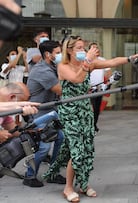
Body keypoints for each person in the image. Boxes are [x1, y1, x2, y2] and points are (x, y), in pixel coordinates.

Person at [42, 36, 138, 203]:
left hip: (86, 111)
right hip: (70, 112)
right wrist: (87, 60)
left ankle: (83, 183)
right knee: (77, 151)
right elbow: (76, 79)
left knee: (87, 149)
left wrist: (130, 58)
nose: (83, 51)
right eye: (79, 48)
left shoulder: (87, 64)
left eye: (84, 48)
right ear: (70, 50)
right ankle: (68, 188)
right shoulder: (63, 66)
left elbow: (111, 62)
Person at [24, 40, 65, 187]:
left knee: (61, 139)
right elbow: (60, 89)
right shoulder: (42, 70)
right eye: (58, 53)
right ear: (48, 54)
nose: (61, 55)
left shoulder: (51, 66)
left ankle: (53, 173)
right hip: (39, 113)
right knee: (44, 147)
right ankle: (29, 176)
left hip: (51, 112)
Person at [88, 42, 112, 133]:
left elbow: (108, 71)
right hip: (89, 89)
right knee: (90, 107)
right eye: (93, 48)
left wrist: (108, 83)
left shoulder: (102, 60)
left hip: (99, 88)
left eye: (97, 48)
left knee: (97, 108)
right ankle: (90, 125)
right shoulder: (86, 60)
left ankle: (94, 124)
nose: (96, 49)